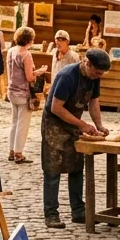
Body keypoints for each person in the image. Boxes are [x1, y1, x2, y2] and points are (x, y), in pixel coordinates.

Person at [40, 49, 110, 228]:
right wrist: (82, 124)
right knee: (53, 170)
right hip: (54, 125)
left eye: (100, 74)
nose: (97, 76)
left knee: (77, 167)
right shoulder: (67, 76)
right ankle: (51, 213)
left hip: (73, 124)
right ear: (87, 63)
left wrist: (99, 124)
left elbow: (94, 102)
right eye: (96, 72)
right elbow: (56, 108)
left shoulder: (95, 78)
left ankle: (78, 211)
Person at [6, 27, 46, 164]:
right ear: (29, 40)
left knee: (14, 122)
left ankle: (11, 150)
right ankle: (18, 153)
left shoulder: (11, 51)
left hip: (11, 90)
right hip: (23, 93)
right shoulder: (26, 54)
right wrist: (39, 72)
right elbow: (29, 77)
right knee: (23, 124)